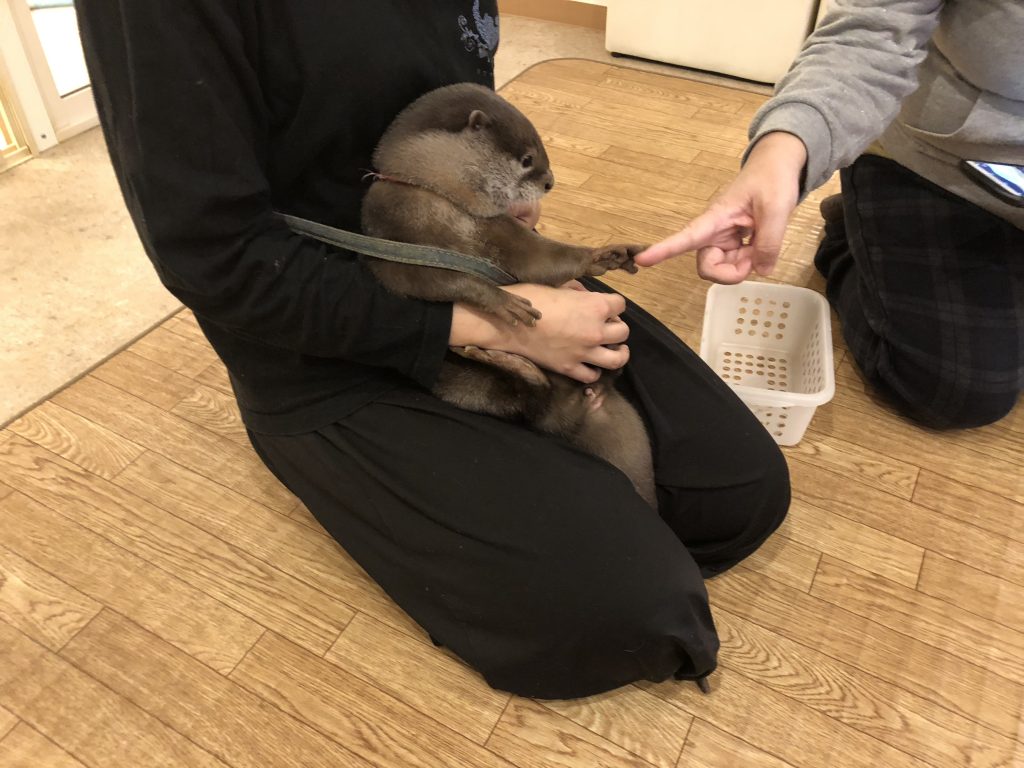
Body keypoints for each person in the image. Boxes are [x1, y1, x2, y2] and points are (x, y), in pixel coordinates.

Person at [76, 1, 788, 699]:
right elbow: (215, 260)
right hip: (314, 340)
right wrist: (503, 325)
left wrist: (510, 228)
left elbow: (449, 97)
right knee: (635, 615)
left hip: (468, 266)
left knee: (739, 496)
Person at [638, 0, 1024, 430]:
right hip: (939, 164)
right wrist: (781, 152)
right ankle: (850, 238)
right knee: (956, 388)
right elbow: (869, 34)